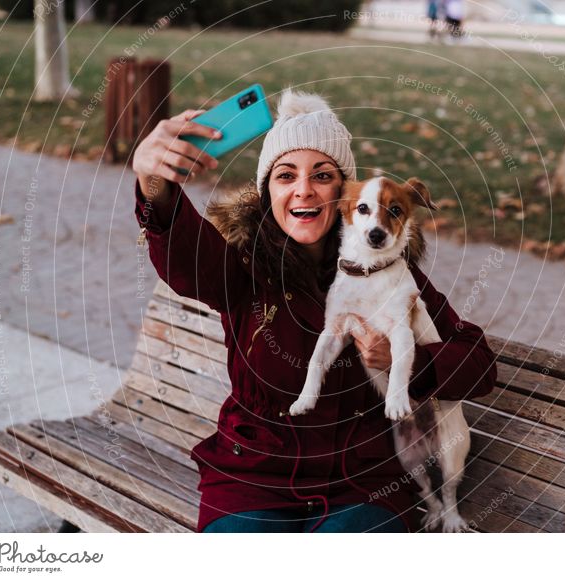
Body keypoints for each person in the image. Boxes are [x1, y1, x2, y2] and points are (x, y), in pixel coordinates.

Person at [131, 89, 497, 533]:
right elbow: (184, 256)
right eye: (286, 176)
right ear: (268, 192)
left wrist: (406, 360)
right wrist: (155, 183)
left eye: (322, 176)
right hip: (253, 481)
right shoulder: (241, 267)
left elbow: (478, 362)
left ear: (345, 198)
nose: (303, 188)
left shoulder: (389, 274)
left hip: (363, 487)